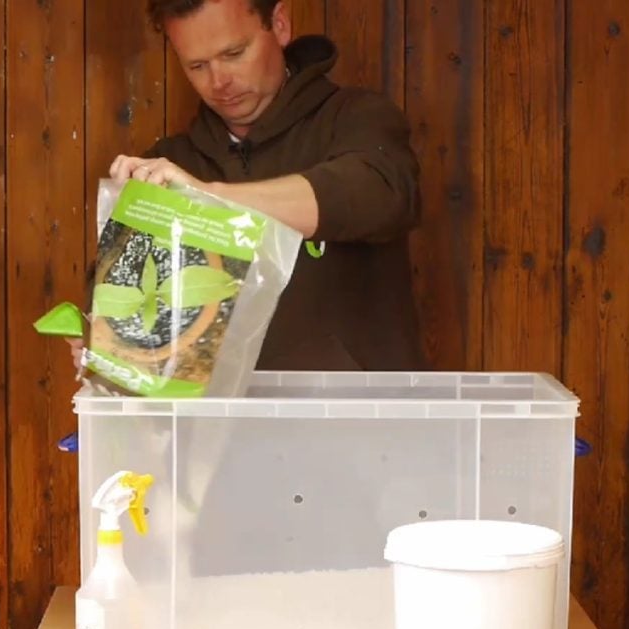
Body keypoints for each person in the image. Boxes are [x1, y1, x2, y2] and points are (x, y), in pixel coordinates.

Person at [100, 0, 427, 372]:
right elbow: (135, 322)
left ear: (280, 24)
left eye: (234, 53)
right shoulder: (171, 163)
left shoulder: (356, 118)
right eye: (197, 65)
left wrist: (206, 199)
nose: (219, 81)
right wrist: (106, 344)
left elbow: (382, 192)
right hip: (223, 425)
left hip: (360, 420)